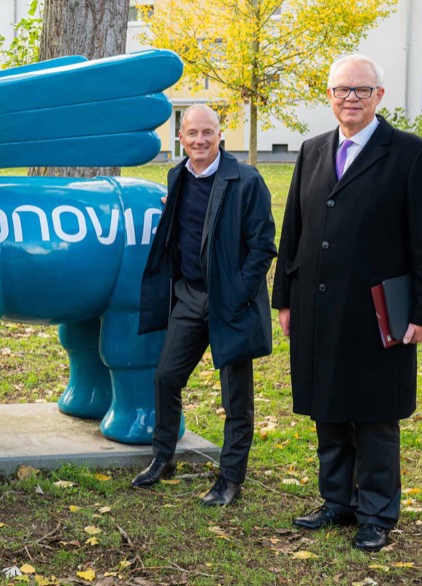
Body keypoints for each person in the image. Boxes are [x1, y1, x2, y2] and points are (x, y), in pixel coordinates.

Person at [273, 55, 422, 552]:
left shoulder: (411, 154)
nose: (350, 98)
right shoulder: (312, 151)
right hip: (317, 306)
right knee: (327, 408)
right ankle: (338, 501)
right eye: (341, 89)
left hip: (378, 312)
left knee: (374, 414)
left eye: (361, 90)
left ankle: (375, 513)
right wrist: (285, 299)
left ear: (379, 96)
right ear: (329, 96)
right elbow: (293, 232)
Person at [133, 104, 276, 506]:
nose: (199, 140)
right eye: (192, 133)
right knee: (166, 377)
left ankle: (230, 478)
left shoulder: (246, 181)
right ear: (181, 137)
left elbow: (263, 247)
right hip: (191, 296)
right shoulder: (177, 176)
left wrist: (239, 293)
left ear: (219, 135)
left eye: (207, 133)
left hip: (232, 302)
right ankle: (163, 457)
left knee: (236, 398)